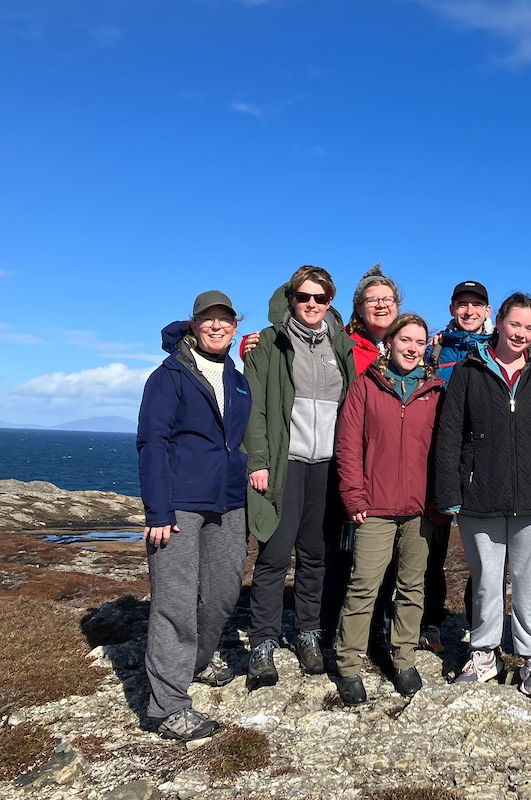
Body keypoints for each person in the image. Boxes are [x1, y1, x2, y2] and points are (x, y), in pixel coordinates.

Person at [433, 292, 531, 700]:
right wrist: (449, 492)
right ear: (498, 322)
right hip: (480, 495)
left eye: (529, 327)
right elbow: (450, 435)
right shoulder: (469, 370)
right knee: (485, 582)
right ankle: (484, 652)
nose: (520, 333)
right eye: (514, 324)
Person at [137, 290, 251, 741]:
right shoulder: (169, 377)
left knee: (223, 595)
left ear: (235, 326)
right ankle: (168, 706)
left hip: (228, 500)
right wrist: (158, 510)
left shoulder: (238, 378)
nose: (217, 326)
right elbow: (152, 444)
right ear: (194, 324)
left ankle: (195, 664)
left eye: (226, 320)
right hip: (179, 504)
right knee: (175, 601)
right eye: (209, 319)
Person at [243, 265, 357, 690]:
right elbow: (254, 408)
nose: (312, 305)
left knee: (315, 555)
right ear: (290, 299)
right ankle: (263, 643)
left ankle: (307, 633)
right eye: (304, 297)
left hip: (327, 465)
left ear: (330, 302)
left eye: (321, 298)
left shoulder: (340, 345)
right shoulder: (268, 343)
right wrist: (258, 461)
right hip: (284, 462)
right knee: (273, 555)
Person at [333, 313, 445, 705]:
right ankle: (347, 663)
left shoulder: (435, 391)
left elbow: (442, 453)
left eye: (419, 341)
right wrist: (354, 497)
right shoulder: (366, 386)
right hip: (374, 507)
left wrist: (438, 502)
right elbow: (347, 445)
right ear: (391, 343)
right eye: (405, 340)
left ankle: (403, 658)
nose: (412, 348)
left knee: (413, 587)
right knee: (364, 586)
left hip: (419, 509)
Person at [418, 279, 494, 652]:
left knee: (484, 551)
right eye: (462, 304)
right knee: (433, 547)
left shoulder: (497, 351)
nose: (468, 311)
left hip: (482, 460)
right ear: (451, 309)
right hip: (437, 459)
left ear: (487, 312)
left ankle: (480, 625)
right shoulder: (433, 351)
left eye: (476, 305)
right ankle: (428, 621)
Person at [346, 263, 401, 373]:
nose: (381, 305)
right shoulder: (345, 347)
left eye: (388, 299)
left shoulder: (411, 346)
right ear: (359, 309)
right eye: (372, 300)